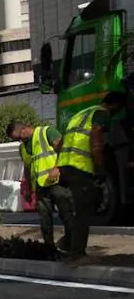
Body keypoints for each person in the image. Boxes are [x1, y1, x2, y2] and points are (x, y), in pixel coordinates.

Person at [56, 91, 122, 259]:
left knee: (79, 209)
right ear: (113, 105)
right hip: (80, 167)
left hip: (66, 166)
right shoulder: (102, 113)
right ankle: (76, 253)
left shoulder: (80, 114)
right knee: (85, 209)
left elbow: (61, 142)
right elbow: (96, 136)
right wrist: (99, 166)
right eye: (117, 109)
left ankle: (67, 242)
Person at [7, 120, 67, 251]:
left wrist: (57, 167)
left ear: (23, 129)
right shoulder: (23, 147)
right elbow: (28, 168)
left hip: (57, 182)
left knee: (66, 213)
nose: (19, 141)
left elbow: (64, 149)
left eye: (18, 138)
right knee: (45, 219)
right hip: (40, 186)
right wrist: (28, 188)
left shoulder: (46, 132)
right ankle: (50, 248)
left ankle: (72, 244)